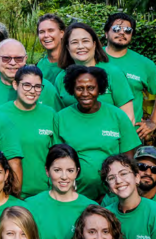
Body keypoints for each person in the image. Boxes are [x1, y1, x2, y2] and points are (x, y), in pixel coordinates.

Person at [53, 66, 140, 200]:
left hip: (113, 192)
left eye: (91, 88)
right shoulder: (61, 118)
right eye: (79, 88)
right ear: (72, 90)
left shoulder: (117, 116)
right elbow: (57, 159)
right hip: (74, 193)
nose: (85, 93)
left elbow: (128, 157)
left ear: (100, 89)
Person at [26, 145, 97, 239]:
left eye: (70, 170)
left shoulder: (91, 208)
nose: (64, 176)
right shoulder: (31, 205)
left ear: (77, 172)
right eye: (57, 170)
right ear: (47, 171)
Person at [103, 12, 156, 137]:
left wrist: (153, 122)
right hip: (97, 131)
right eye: (117, 28)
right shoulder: (92, 58)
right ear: (106, 33)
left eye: (127, 30)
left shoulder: (143, 64)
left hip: (130, 135)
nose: (122, 33)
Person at [0, 66, 59, 197]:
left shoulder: (50, 114)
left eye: (37, 86)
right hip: (7, 193)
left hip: (43, 193)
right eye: (26, 85)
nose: (32, 91)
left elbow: (57, 155)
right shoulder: (0, 114)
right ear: (15, 85)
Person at [53, 23, 135, 122]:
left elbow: (128, 116)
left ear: (94, 44)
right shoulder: (61, 78)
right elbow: (57, 117)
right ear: (67, 47)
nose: (80, 46)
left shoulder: (113, 73)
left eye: (85, 41)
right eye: (74, 42)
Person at [0, 40, 61, 110]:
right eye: (6, 58)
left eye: (18, 58)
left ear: (25, 59)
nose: (12, 63)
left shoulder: (45, 87)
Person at [36, 14, 67, 85]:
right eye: (42, 32)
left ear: (62, 33)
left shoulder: (73, 62)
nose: (46, 35)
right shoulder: (39, 65)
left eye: (51, 30)